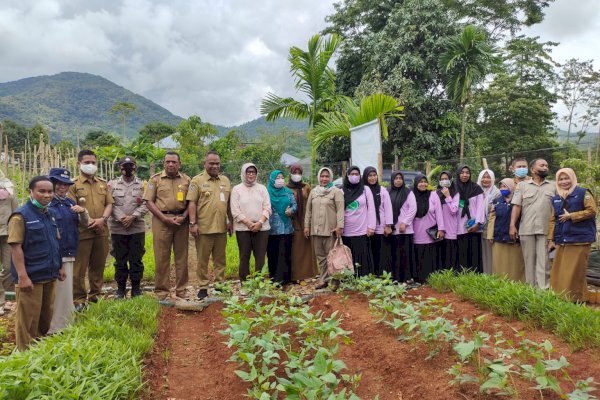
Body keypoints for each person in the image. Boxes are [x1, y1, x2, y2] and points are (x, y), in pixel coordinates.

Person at [8, 176, 64, 350]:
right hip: (31, 277)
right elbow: (16, 248)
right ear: (30, 192)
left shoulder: (50, 214)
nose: (47, 195)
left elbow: (56, 242)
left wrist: (60, 266)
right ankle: (25, 355)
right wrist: (23, 277)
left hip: (49, 274)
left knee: (45, 317)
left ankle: (39, 351)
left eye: (50, 191)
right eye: (42, 191)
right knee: (28, 321)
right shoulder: (20, 216)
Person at [68, 150, 113, 311]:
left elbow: (109, 204)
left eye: (93, 162)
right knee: (79, 269)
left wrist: (103, 219)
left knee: (98, 266)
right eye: (87, 162)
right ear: (78, 163)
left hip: (101, 230)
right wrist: (90, 221)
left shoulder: (102, 183)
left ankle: (95, 296)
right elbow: (72, 207)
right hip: (82, 233)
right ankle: (79, 299)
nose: (90, 165)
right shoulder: (72, 185)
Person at [143, 151, 191, 301]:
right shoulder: (155, 180)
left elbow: (192, 203)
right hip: (161, 220)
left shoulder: (187, 180)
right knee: (162, 257)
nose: (171, 164)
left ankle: (181, 290)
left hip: (181, 221)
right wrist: (164, 218)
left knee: (182, 257)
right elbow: (149, 202)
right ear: (164, 163)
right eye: (168, 162)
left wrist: (184, 216)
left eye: (174, 162)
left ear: (179, 164)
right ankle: (162, 291)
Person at [48, 168, 89, 334]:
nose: (62, 188)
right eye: (58, 184)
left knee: (65, 291)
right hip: (55, 254)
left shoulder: (70, 203)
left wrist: (84, 212)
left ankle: (65, 323)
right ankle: (54, 327)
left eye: (65, 185)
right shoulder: (48, 204)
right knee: (56, 292)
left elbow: (84, 223)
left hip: (69, 252)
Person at [187, 151, 232, 300]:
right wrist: (193, 223)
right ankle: (203, 287)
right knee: (202, 260)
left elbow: (229, 204)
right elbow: (192, 203)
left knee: (220, 259)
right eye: (211, 163)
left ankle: (220, 285)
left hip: (221, 228)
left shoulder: (225, 180)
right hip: (203, 228)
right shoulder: (197, 181)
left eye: (217, 163)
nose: (214, 166)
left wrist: (230, 221)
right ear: (204, 164)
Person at [548, 168, 597, 301]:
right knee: (560, 270)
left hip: (580, 239)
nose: (564, 182)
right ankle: (562, 297)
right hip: (562, 240)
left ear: (573, 178)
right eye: (561, 179)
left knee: (575, 271)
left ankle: (576, 299)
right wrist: (550, 239)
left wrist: (572, 216)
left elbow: (592, 210)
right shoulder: (556, 198)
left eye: (567, 178)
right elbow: (553, 219)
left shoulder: (583, 193)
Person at [510, 159, 556, 289]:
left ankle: (543, 291)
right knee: (529, 261)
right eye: (542, 165)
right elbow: (517, 206)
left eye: (546, 165)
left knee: (544, 262)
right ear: (532, 169)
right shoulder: (522, 186)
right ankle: (531, 290)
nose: (545, 167)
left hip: (545, 230)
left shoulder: (553, 186)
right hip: (526, 229)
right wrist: (512, 225)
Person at [108, 157, 148, 299]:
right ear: (120, 168)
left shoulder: (143, 184)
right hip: (118, 229)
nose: (128, 168)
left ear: (135, 167)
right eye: (125, 166)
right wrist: (122, 218)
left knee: (136, 259)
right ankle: (121, 289)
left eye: (131, 166)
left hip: (136, 227)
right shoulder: (112, 184)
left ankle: (136, 289)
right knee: (120, 260)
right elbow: (109, 203)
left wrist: (133, 216)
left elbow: (146, 203)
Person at [304, 167, 344, 289]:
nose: (324, 179)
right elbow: (308, 210)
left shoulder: (336, 191)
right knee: (320, 256)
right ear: (319, 177)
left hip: (331, 230)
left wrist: (339, 226)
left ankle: (335, 281)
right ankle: (323, 279)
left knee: (332, 256)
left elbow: (340, 210)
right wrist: (306, 226)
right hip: (316, 230)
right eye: (322, 176)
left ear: (330, 177)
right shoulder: (314, 192)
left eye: (327, 176)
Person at [231, 163, 271, 282]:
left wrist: (259, 223)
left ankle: (260, 283)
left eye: (253, 172)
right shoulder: (237, 189)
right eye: (248, 172)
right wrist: (249, 224)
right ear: (243, 173)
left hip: (262, 229)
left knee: (260, 258)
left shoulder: (262, 188)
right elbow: (235, 210)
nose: (251, 174)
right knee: (244, 257)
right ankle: (245, 284)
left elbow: (268, 207)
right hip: (243, 229)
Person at [486, 178, 525, 282]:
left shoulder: (518, 201)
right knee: (499, 263)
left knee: (515, 264)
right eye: (501, 186)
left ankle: (517, 284)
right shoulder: (496, 201)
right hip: (498, 237)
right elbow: (492, 219)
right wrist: (490, 235)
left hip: (514, 238)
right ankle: (500, 284)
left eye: (505, 186)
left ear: (512, 187)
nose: (503, 188)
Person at [341, 166, 376, 276]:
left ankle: (363, 278)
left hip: (361, 230)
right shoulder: (341, 190)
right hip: (346, 231)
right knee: (347, 257)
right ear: (347, 175)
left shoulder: (365, 190)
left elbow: (371, 209)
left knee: (361, 256)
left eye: (357, 174)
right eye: (352, 174)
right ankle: (348, 278)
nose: (355, 176)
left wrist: (371, 227)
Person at [287, 164, 318, 282]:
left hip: (306, 221)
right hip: (293, 222)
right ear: (290, 174)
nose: (297, 175)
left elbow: (311, 204)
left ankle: (308, 274)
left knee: (307, 248)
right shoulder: (286, 188)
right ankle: (296, 276)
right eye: (294, 172)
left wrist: (310, 222)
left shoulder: (306, 187)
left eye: (299, 173)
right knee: (295, 250)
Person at [412, 175, 445, 283]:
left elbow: (439, 213)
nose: (423, 184)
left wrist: (441, 229)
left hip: (430, 233)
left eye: (425, 182)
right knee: (417, 255)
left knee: (429, 256)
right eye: (420, 182)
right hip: (416, 232)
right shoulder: (411, 195)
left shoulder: (433, 195)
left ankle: (430, 279)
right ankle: (418, 279)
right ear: (416, 183)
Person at [266, 170, 297, 285]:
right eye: (277, 177)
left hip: (286, 228)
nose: (280, 180)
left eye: (282, 177)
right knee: (273, 254)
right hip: (272, 229)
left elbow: (295, 205)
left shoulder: (288, 192)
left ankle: (285, 279)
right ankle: (274, 278)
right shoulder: (266, 192)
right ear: (272, 179)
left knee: (285, 253)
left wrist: (291, 210)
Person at [363, 166, 393, 275]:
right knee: (370, 251)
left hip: (381, 226)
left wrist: (388, 225)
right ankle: (371, 273)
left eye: (374, 175)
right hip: (366, 227)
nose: (372, 178)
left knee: (381, 251)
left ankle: (382, 274)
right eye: (370, 176)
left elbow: (388, 208)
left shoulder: (382, 190)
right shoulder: (362, 190)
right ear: (365, 177)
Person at [456, 165, 485, 272]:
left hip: (473, 226)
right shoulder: (454, 188)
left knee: (473, 252)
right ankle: (461, 274)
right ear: (458, 174)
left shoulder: (476, 188)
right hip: (458, 226)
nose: (465, 175)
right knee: (461, 251)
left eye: (467, 172)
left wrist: (477, 223)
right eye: (462, 172)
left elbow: (480, 207)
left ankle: (475, 275)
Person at [388, 171, 417, 282]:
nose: (398, 180)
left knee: (405, 255)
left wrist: (405, 223)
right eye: (396, 178)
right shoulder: (388, 192)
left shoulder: (408, 192)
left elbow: (413, 209)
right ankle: (395, 277)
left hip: (405, 230)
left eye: (400, 178)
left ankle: (406, 278)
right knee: (394, 254)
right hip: (393, 229)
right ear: (392, 180)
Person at [0, 175, 18, 316]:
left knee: (9, 268)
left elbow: (15, 214)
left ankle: (2, 295)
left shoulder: (9, 193)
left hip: (7, 235)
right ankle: (1, 301)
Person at [477, 169, 501, 274]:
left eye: (488, 177)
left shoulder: (497, 193)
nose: (486, 179)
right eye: (484, 177)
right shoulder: (475, 191)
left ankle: (491, 275)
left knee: (489, 253)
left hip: (490, 228)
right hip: (475, 228)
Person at [436, 171, 459, 271]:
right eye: (442, 179)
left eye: (446, 179)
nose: (444, 181)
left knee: (450, 254)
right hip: (438, 228)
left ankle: (451, 275)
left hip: (450, 229)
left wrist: (448, 196)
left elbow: (454, 210)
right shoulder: (436, 193)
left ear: (450, 180)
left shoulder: (455, 193)